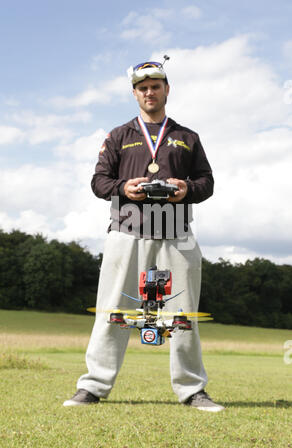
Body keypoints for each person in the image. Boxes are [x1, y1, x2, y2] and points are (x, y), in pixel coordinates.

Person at [63, 59, 224, 412]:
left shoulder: (187, 137)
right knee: (112, 311)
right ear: (135, 93)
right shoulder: (119, 135)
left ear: (167, 89)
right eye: (142, 87)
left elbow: (207, 183)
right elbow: (98, 181)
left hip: (176, 234)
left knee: (182, 315)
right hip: (127, 231)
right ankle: (93, 386)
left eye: (155, 86)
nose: (149, 92)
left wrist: (186, 189)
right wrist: (125, 187)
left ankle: (192, 389)